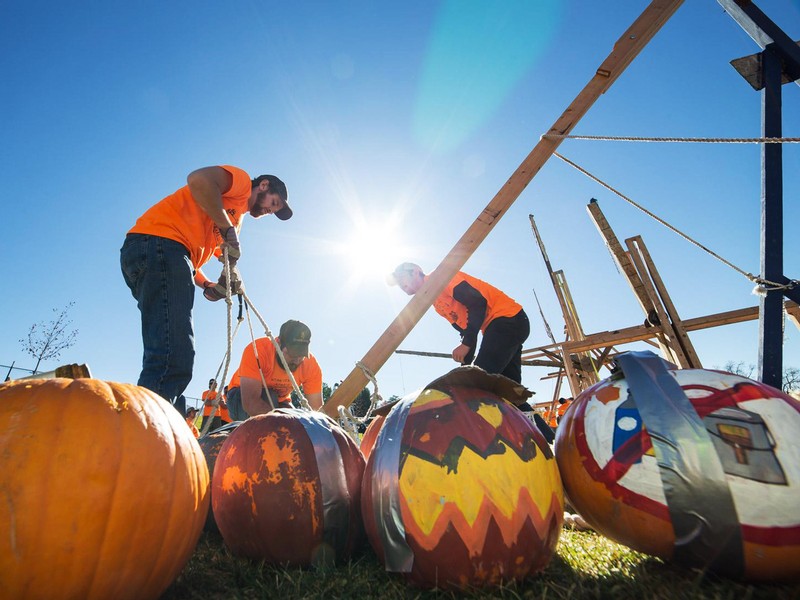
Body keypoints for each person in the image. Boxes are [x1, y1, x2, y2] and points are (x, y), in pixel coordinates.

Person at [120, 165, 291, 410]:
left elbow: (191, 263)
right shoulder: (241, 184)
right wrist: (227, 229)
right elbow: (198, 180)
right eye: (273, 203)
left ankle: (154, 420)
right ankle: (144, 432)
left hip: (154, 254)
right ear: (263, 185)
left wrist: (212, 285)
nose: (268, 211)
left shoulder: (234, 218)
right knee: (173, 356)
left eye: (272, 211)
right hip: (159, 243)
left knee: (167, 348)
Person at [388, 262, 531, 384]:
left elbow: (478, 303)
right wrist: (465, 365)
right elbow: (467, 331)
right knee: (509, 391)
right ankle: (528, 415)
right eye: (397, 283)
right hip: (504, 326)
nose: (400, 284)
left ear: (416, 271)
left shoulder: (438, 277)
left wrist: (466, 345)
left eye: (401, 277)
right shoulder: (437, 305)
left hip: (507, 319)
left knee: (478, 381)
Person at [226, 320, 323, 420]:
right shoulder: (257, 350)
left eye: (301, 354)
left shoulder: (311, 366)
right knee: (270, 398)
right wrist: (284, 424)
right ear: (278, 343)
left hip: (280, 401)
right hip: (240, 395)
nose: (297, 360)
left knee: (298, 419)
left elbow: (317, 410)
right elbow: (251, 403)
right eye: (292, 354)